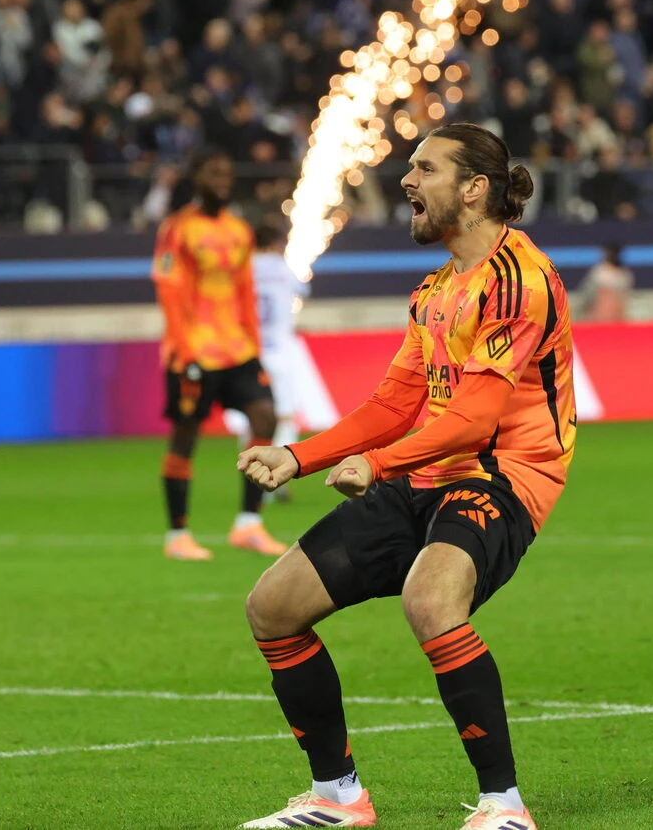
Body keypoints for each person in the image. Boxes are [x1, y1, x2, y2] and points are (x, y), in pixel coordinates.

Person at [234, 123, 575, 830]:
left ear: (475, 189)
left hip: (501, 477)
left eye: (425, 169)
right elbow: (395, 402)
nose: (408, 182)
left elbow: (477, 420)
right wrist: (300, 456)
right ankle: (338, 798)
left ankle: (504, 810)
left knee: (429, 600)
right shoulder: (435, 290)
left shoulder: (517, 278)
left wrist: (381, 464)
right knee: (272, 607)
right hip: (427, 471)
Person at [151, 148, 287, 561]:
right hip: (194, 350)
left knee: (265, 415)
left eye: (227, 174)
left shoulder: (239, 230)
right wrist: (183, 347)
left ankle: (248, 524)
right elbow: (168, 289)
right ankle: (178, 534)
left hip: (237, 348)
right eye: (214, 173)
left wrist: (255, 346)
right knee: (186, 435)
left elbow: (245, 291)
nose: (223, 181)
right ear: (197, 178)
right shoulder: (177, 229)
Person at [224, 215, 310, 501]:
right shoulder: (283, 269)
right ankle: (279, 477)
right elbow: (303, 290)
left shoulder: (243, 268)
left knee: (253, 417)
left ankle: (251, 473)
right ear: (276, 243)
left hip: (249, 353)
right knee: (283, 416)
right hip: (281, 353)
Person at [576, 243, 633, 322]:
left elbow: (625, 299)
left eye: (614, 253)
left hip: (617, 319)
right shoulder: (598, 273)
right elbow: (586, 295)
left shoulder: (624, 275)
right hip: (598, 318)